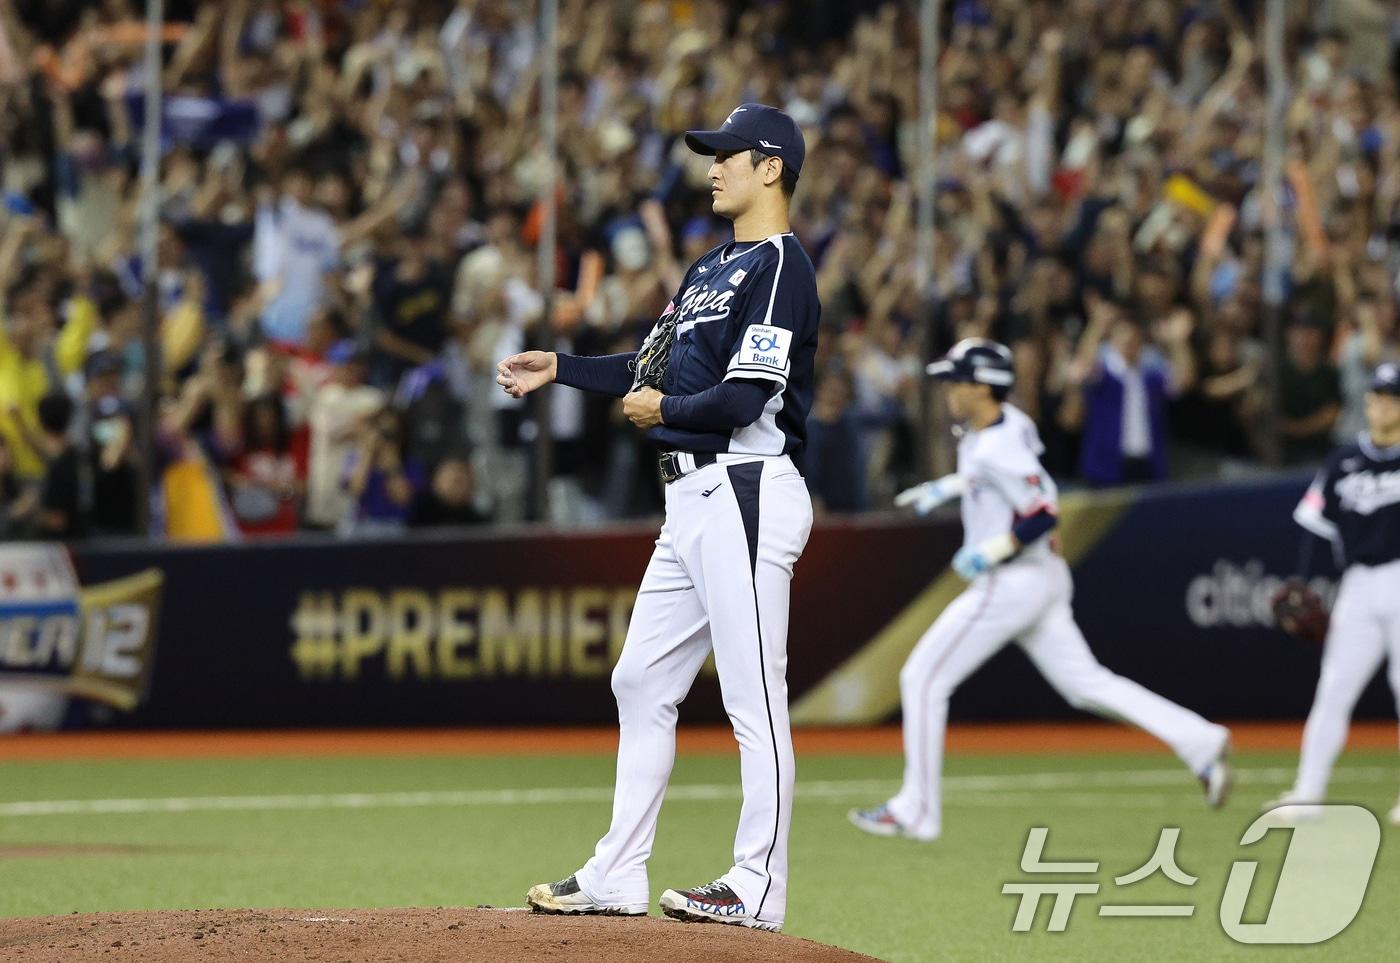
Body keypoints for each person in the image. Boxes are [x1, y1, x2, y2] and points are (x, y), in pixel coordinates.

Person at [500, 104, 818, 932]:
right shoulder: (710, 266)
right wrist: (561, 367)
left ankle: (758, 884)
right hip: (689, 500)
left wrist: (662, 411)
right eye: (711, 156)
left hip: (745, 483)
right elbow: (644, 368)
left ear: (772, 167)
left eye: (728, 155)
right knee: (639, 679)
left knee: (755, 696)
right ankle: (616, 871)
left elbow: (744, 400)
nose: (713, 167)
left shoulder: (781, 268)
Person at [848, 338, 1232, 842]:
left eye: (957, 380)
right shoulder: (1006, 425)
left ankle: (917, 809)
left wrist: (994, 549)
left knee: (922, 677)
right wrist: (951, 487)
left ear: (982, 385)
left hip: (1012, 579)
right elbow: (995, 475)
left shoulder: (998, 444)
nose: (948, 390)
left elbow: (1043, 511)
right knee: (1086, 684)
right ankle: (1200, 741)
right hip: (1042, 579)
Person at [1272, 363, 1400, 825]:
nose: (1380, 405)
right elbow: (1315, 527)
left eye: (1390, 397)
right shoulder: (1343, 460)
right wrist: (1303, 581)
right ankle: (1308, 793)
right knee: (1333, 690)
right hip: (1359, 586)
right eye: (1375, 397)